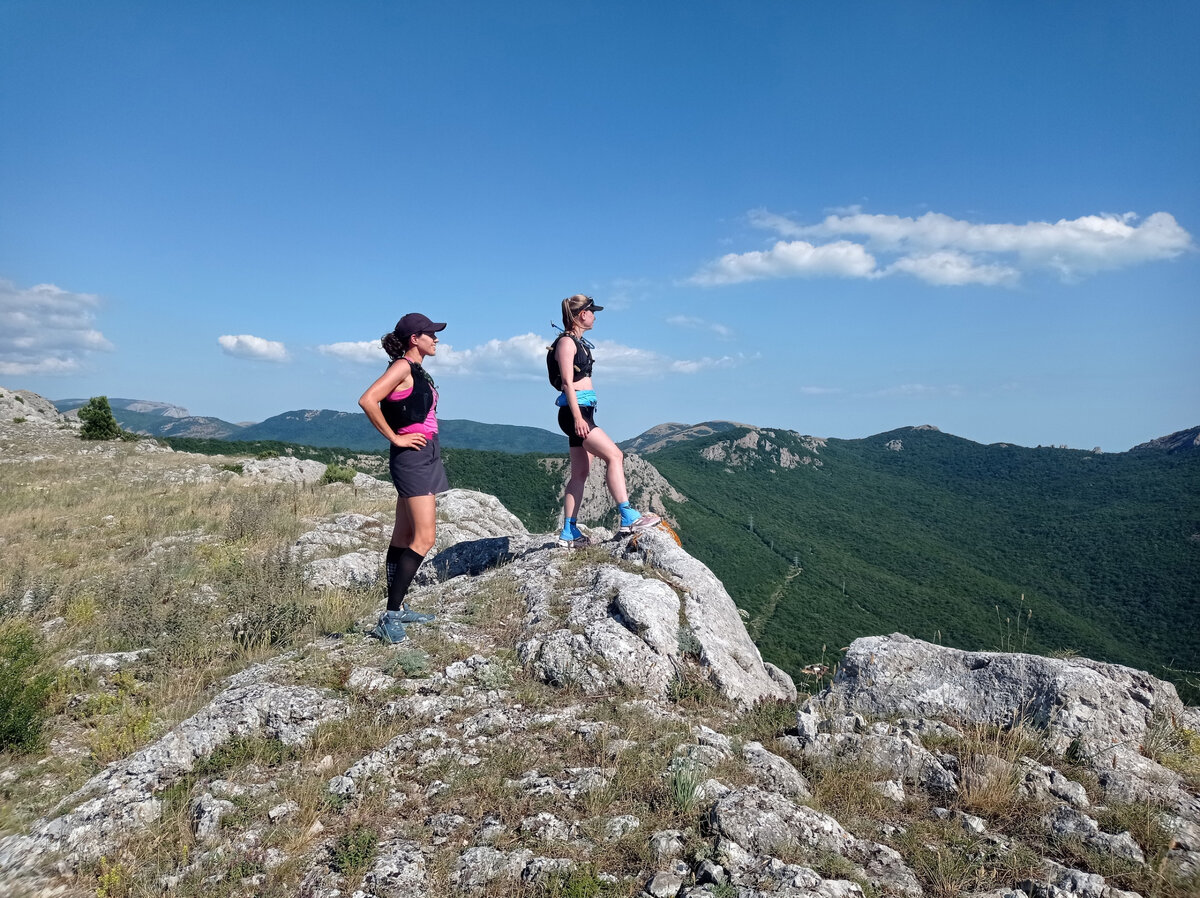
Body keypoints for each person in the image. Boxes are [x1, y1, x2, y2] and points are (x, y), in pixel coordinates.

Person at [358, 312, 449, 643]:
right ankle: (391, 615)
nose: (436, 339)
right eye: (431, 334)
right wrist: (395, 438)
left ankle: (399, 606)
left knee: (402, 536)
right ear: (415, 338)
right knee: (424, 538)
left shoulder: (416, 369)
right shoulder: (402, 367)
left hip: (423, 454)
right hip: (412, 458)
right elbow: (368, 400)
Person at [553, 294, 661, 547]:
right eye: (592, 312)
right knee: (615, 456)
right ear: (582, 314)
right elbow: (568, 382)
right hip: (575, 411)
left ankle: (569, 532)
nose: (594, 316)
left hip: (581, 410)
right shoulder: (567, 343)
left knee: (580, 472)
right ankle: (628, 516)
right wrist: (579, 417)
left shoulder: (576, 342)